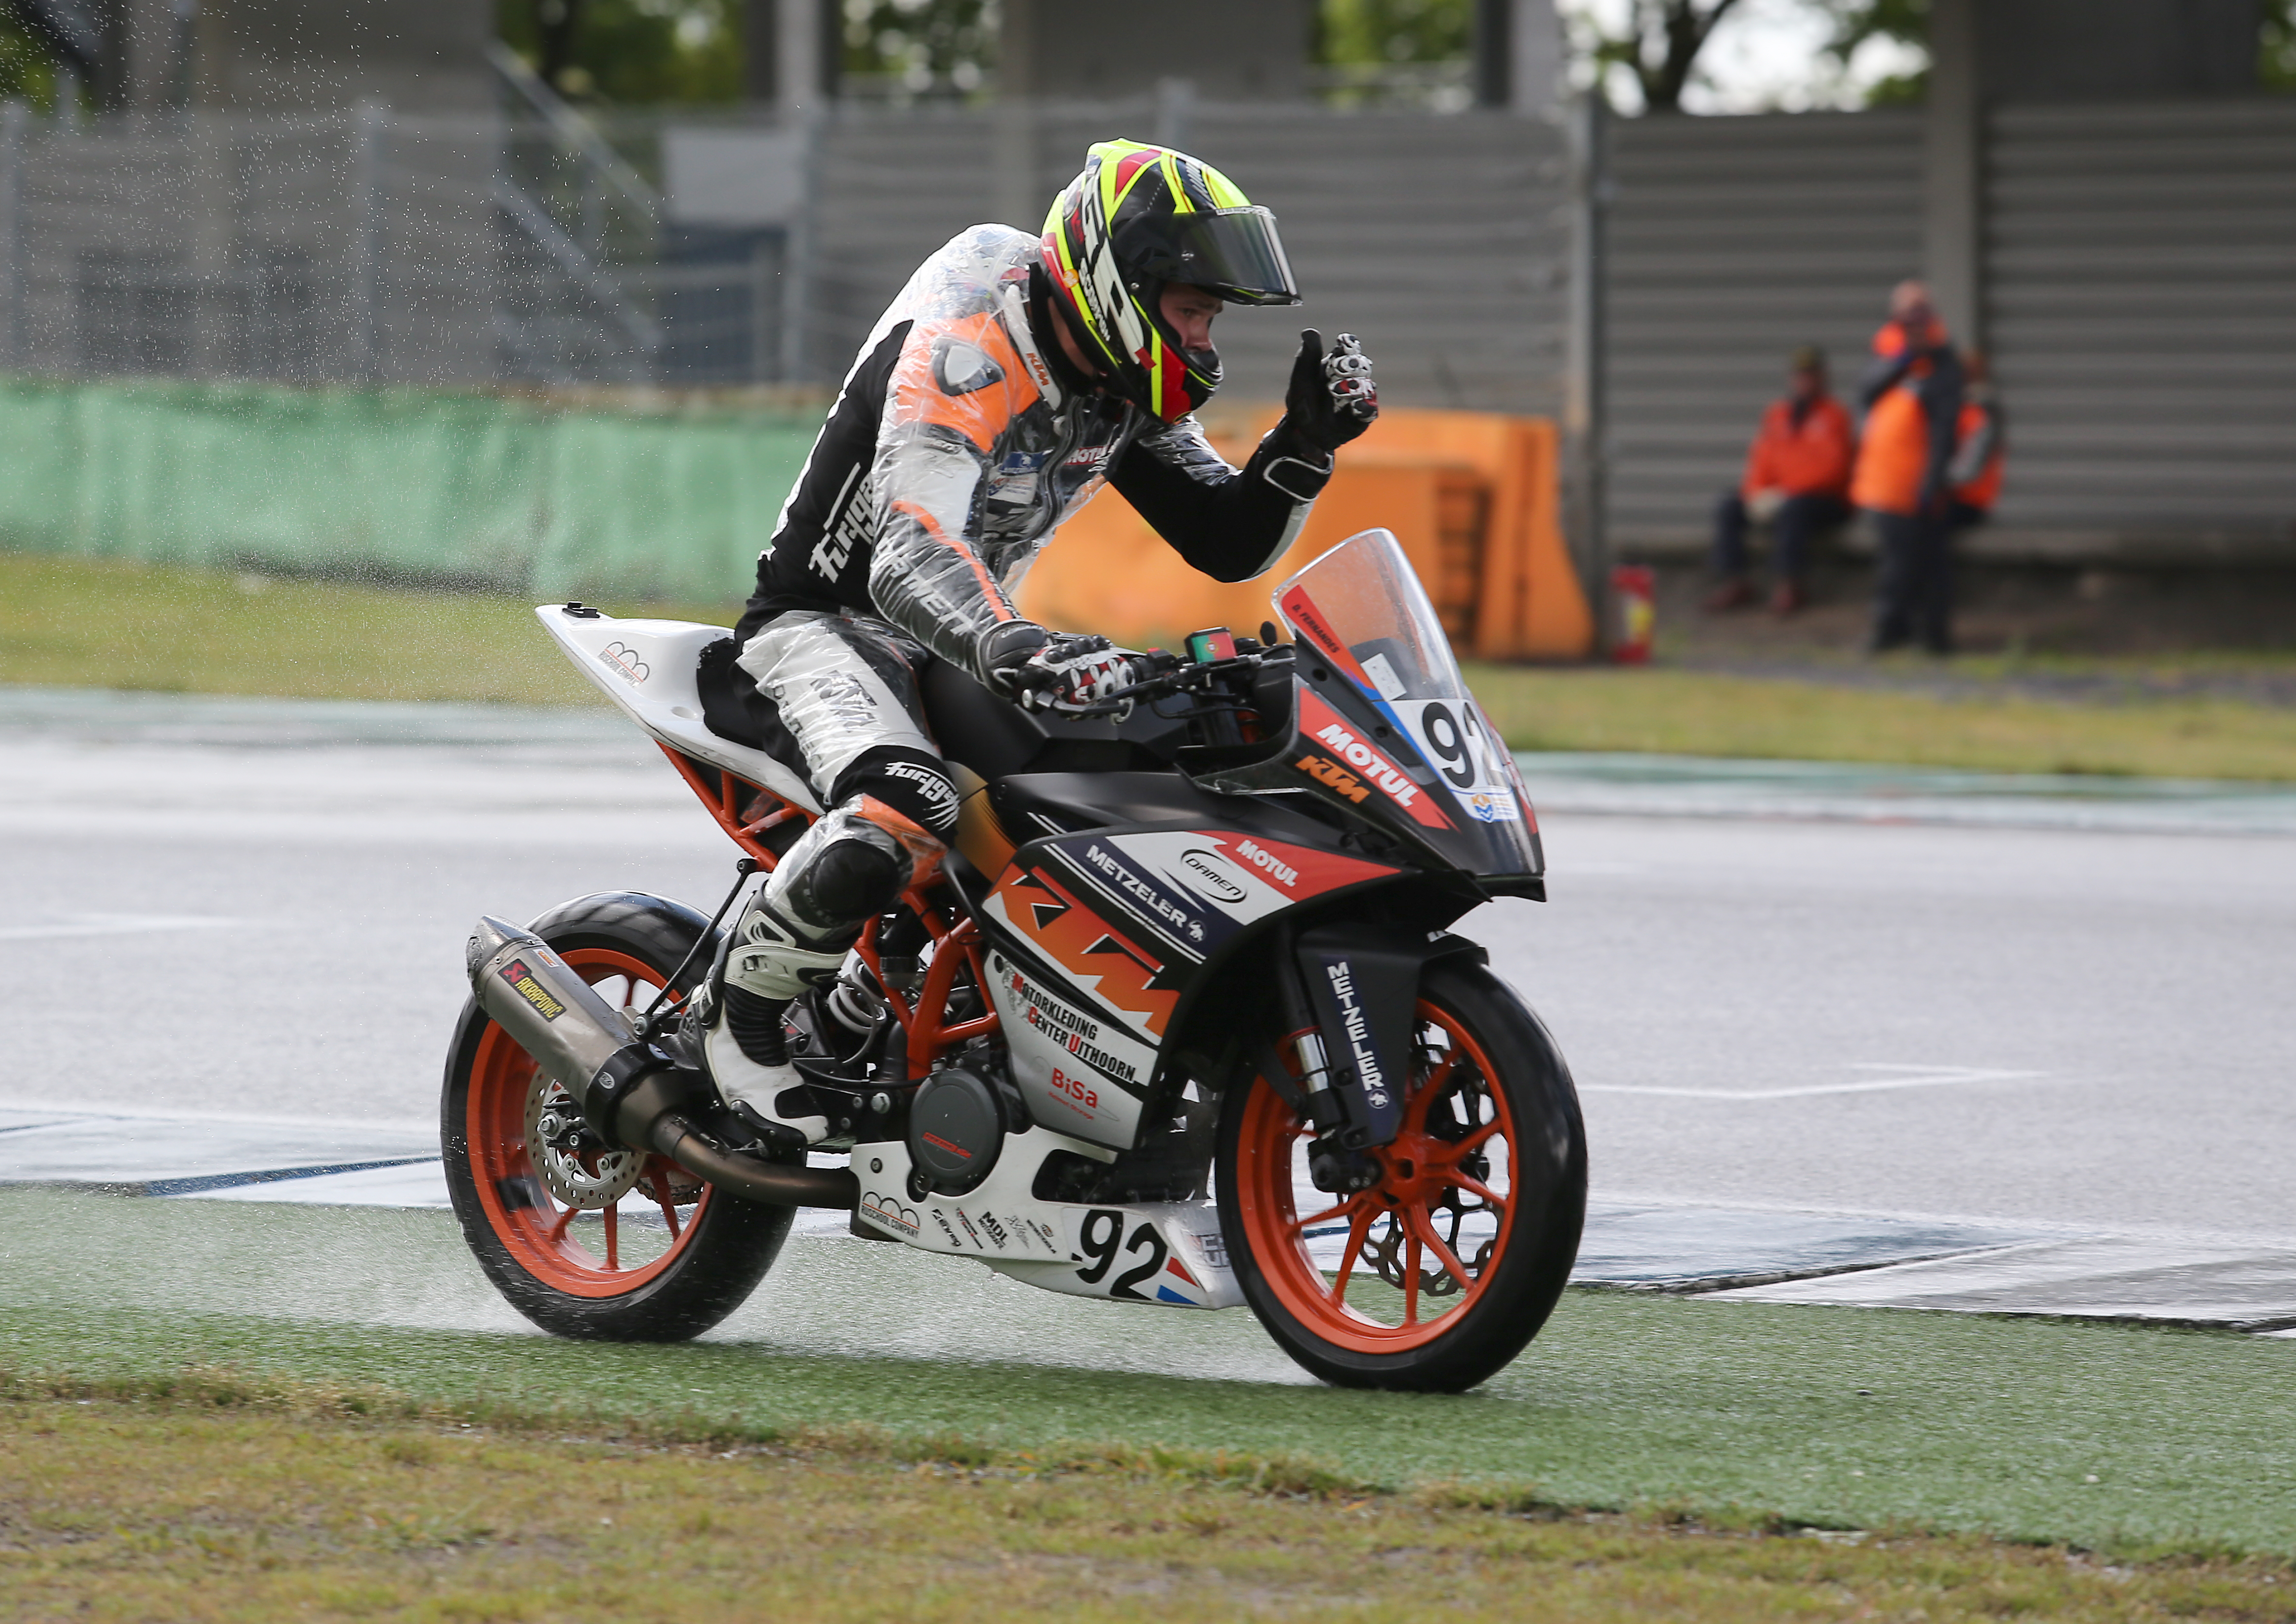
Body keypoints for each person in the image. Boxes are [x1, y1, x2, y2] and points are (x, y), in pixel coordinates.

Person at [699, 139, 1380, 1148]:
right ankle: (740, 1022)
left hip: (957, 637)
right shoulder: (974, 335)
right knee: (908, 805)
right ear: (1123, 287)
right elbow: (904, 553)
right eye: (1192, 310)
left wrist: (1302, 445)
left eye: (1210, 317)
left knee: (1095, 786)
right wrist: (1022, 648)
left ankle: (873, 1012)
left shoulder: (1116, 371)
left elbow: (1225, 540)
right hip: (822, 621)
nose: (1202, 339)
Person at [1851, 279, 1964, 655]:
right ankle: (1892, 630)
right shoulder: (1886, 354)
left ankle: (1929, 637)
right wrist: (1902, 359)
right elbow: (1865, 392)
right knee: (1898, 563)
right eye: (1905, 313)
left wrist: (1932, 482)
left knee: (1927, 565)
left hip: (1918, 481)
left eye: (1920, 312)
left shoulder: (1943, 362)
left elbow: (1945, 428)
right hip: (1883, 483)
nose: (1913, 321)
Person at [1705, 344, 1855, 616]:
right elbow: (1761, 460)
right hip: (1782, 498)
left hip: (1826, 501)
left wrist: (1786, 493)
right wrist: (1756, 494)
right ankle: (1735, 580)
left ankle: (1790, 584)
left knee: (1794, 509)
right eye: (1800, 375)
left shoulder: (1835, 415)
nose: (1804, 381)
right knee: (1728, 505)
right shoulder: (1778, 414)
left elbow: (1832, 471)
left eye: (1811, 375)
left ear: (1823, 378)